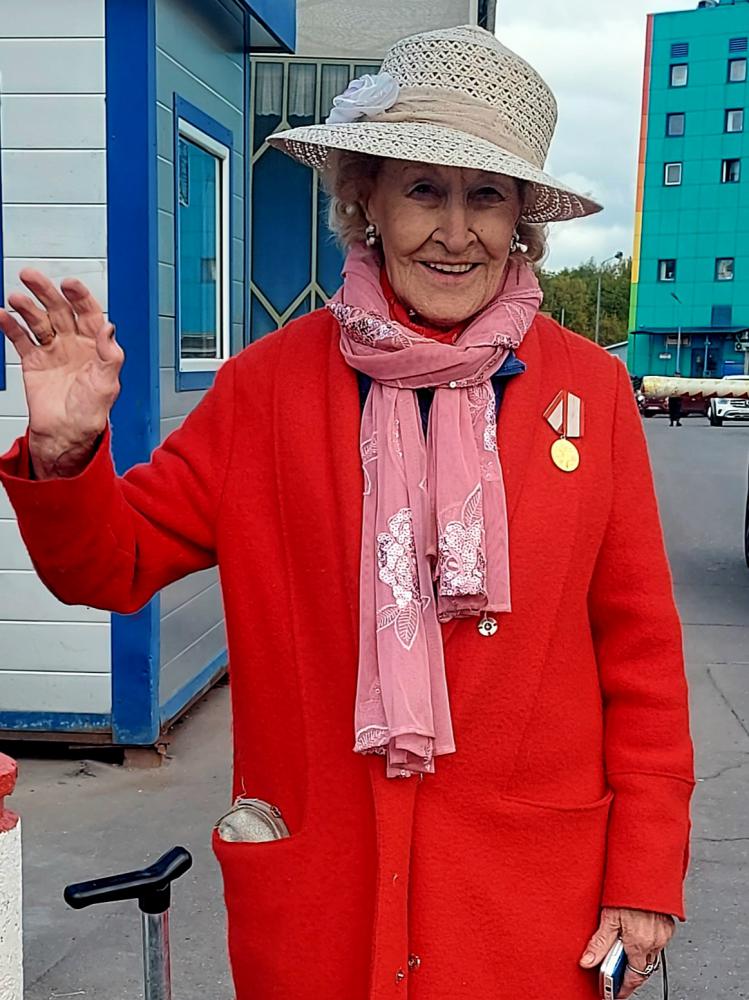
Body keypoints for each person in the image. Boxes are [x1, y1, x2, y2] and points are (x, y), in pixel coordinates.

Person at [0, 25, 693, 1000]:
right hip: (322, 909)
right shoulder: (264, 390)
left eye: (485, 196)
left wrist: (645, 874)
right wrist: (68, 454)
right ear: (363, 197)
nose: (454, 231)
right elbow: (106, 565)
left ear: (520, 221)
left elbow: (642, 660)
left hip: (528, 910)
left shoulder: (591, 393)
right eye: (423, 189)